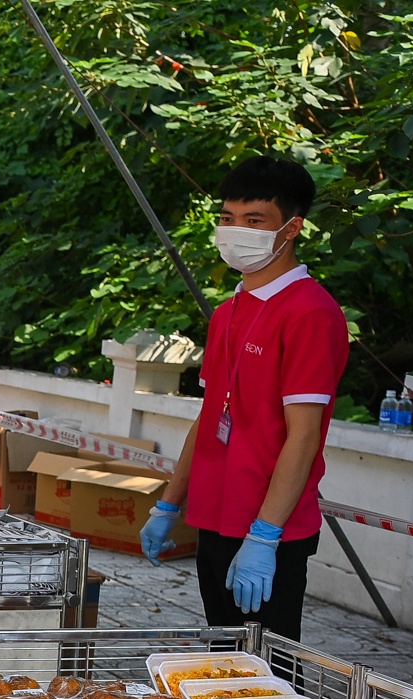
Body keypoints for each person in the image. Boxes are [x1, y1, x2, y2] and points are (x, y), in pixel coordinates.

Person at [140, 156, 348, 640]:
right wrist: (168, 505)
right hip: (215, 516)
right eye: (228, 218)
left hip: (267, 528)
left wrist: (265, 535)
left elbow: (304, 436)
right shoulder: (229, 311)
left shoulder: (309, 313)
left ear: (291, 228)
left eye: (255, 221)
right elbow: (209, 416)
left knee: (268, 673)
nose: (237, 231)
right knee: (227, 658)